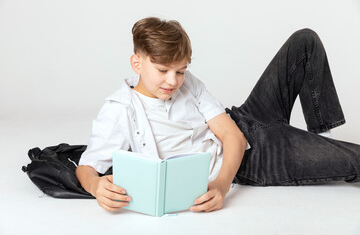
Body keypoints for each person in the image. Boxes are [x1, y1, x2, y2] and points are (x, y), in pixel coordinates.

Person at [76, 17, 360, 213]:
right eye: (163, 70)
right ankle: (324, 153)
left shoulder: (188, 82)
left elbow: (232, 135)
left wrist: (220, 187)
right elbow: (86, 167)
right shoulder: (119, 110)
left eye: (181, 70)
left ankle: (322, 142)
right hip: (255, 160)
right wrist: (96, 185)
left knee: (304, 41)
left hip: (246, 120)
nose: (173, 81)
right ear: (136, 63)